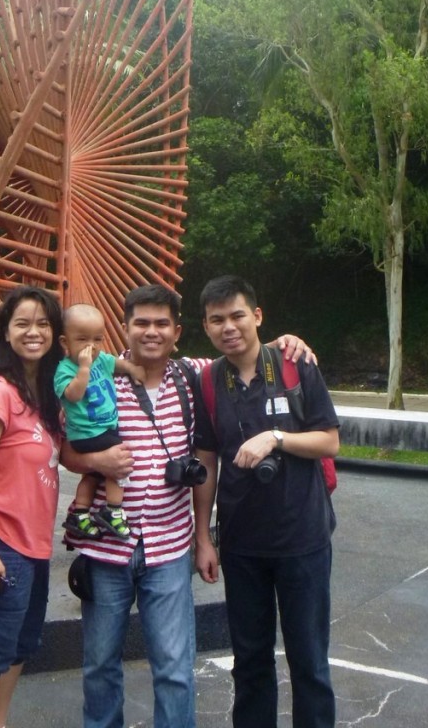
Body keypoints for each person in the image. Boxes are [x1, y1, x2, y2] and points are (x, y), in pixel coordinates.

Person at [61, 283, 314, 728]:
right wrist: (98, 460)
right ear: (125, 328)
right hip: (107, 547)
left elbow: (242, 350)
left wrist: (283, 343)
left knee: (176, 670)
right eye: (141, 323)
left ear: (177, 332)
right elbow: (64, 450)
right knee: (100, 666)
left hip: (169, 548)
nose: (151, 332)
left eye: (161, 324)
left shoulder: (194, 376)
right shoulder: (99, 374)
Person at [193, 275, 340, 728]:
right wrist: (204, 537)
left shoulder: (296, 364)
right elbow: (207, 460)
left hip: (303, 538)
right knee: (250, 662)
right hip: (242, 545)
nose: (228, 327)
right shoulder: (209, 380)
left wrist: (275, 438)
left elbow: (329, 441)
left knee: (309, 662)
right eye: (217, 320)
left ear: (257, 316)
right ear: (206, 327)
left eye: (237, 315)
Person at [0, 285, 64, 728]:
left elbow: (102, 362)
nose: (34, 332)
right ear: (5, 332)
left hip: (35, 543)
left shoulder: (44, 395)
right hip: (1, 541)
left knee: (22, 643)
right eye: (22, 323)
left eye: (43, 323)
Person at [54, 302, 146, 540]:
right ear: (65, 343)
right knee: (119, 464)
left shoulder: (101, 359)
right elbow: (73, 395)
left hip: (102, 429)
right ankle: (113, 511)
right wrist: (83, 369)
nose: (91, 347)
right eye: (82, 340)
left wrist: (132, 370)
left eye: (97, 339)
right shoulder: (65, 369)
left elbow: (118, 364)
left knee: (93, 475)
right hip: (88, 433)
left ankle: (81, 513)